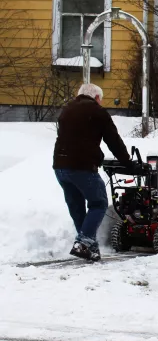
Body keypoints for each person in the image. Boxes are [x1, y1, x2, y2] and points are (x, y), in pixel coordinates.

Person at [53, 83, 132, 261]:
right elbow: (114, 140)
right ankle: (84, 242)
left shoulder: (67, 110)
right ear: (96, 97)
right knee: (98, 203)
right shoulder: (97, 112)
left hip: (60, 167)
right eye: (100, 100)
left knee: (77, 206)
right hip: (81, 166)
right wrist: (127, 163)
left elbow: (74, 137)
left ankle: (89, 247)